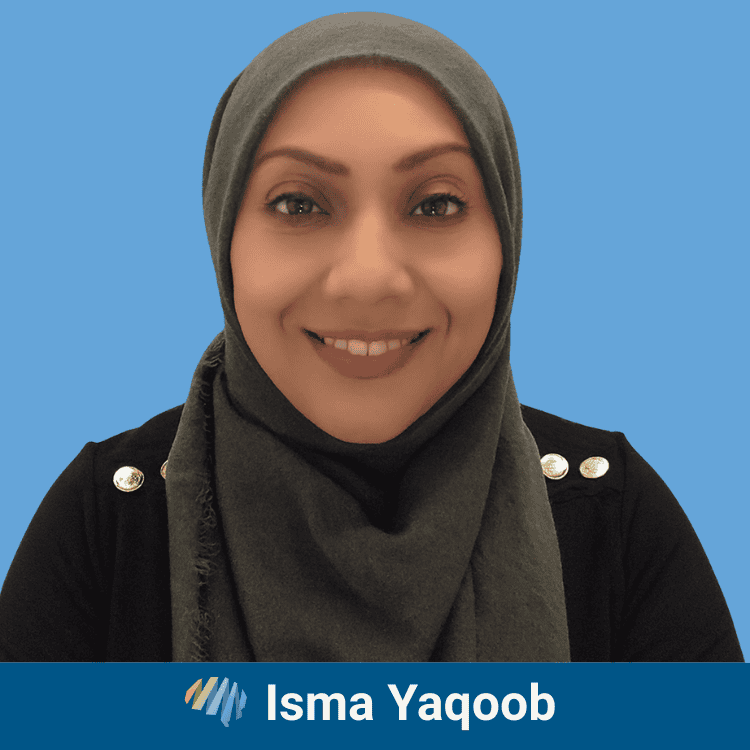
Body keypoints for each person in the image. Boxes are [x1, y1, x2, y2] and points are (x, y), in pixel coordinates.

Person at [0, 11, 743, 663]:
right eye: (299, 204)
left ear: (505, 241)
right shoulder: (111, 520)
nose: (368, 278)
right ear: (225, 238)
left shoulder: (612, 517)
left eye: (435, 205)